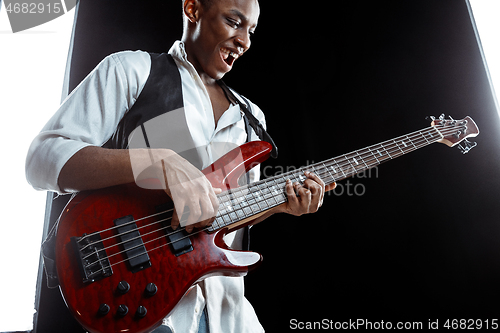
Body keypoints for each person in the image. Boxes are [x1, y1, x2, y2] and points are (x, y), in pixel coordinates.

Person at [26, 0, 329, 332]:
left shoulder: (251, 118)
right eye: (233, 21)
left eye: (251, 31)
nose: (244, 41)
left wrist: (278, 204)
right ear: (193, 9)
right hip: (142, 305)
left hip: (228, 314)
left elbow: (226, 213)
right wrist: (157, 162)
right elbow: (41, 160)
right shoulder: (132, 70)